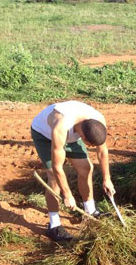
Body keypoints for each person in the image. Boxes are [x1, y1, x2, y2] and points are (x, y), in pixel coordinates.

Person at [31, 100, 116, 242]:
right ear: (82, 136)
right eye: (89, 144)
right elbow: (58, 167)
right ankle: (54, 225)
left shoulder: (98, 120)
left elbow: (102, 152)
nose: (89, 146)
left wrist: (107, 179)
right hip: (45, 135)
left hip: (71, 135)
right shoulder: (61, 126)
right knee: (53, 177)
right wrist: (67, 194)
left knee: (87, 168)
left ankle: (90, 211)